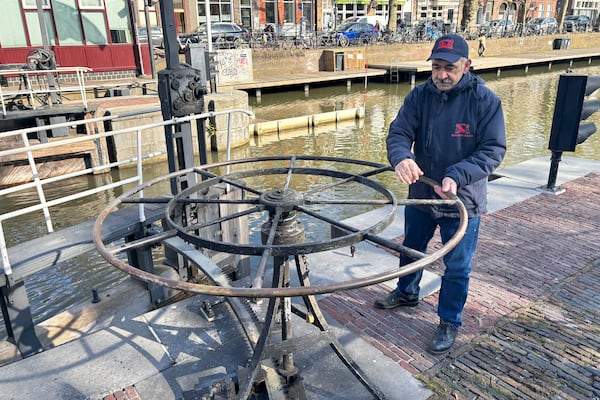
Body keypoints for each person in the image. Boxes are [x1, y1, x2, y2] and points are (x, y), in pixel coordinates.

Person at [374, 34, 506, 354]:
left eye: (449, 67)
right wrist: (402, 156)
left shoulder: (485, 101)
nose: (441, 74)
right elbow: (399, 132)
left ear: (467, 66)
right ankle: (407, 292)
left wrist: (456, 177)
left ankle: (449, 321)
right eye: (436, 67)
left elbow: (493, 150)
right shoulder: (420, 96)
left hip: (462, 200)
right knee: (412, 247)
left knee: (457, 266)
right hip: (422, 192)